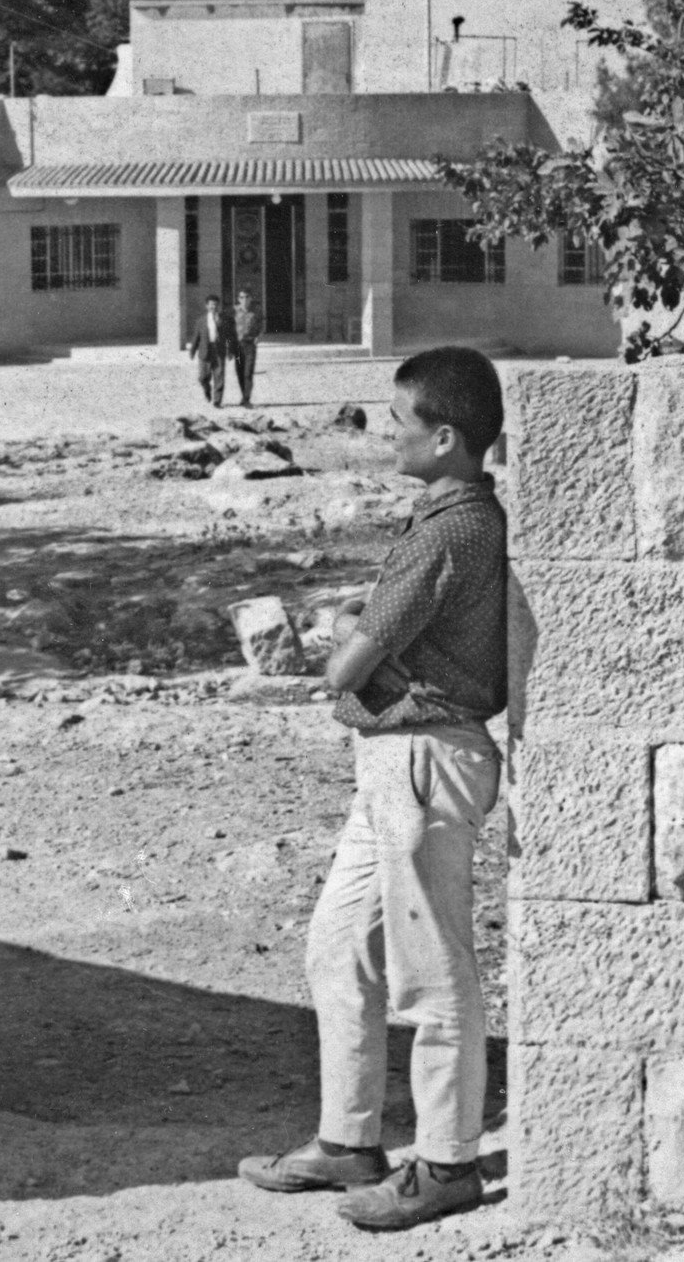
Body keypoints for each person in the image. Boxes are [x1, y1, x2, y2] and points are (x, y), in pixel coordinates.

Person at [239, 346, 507, 1232]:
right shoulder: (447, 518)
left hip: (426, 760)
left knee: (432, 974)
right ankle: (348, 1139)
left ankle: (447, 1163)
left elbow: (346, 667)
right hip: (397, 761)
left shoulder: (450, 530)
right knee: (338, 945)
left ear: (446, 438)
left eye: (401, 423)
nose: (388, 434)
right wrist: (363, 635)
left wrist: (352, 631)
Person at [186, 293, 238, 408]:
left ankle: (217, 401)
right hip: (205, 351)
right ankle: (207, 390)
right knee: (203, 377)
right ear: (206, 306)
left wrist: (230, 351)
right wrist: (192, 351)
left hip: (219, 350)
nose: (213, 307)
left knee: (219, 375)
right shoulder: (201, 320)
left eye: (215, 305)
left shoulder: (225, 320)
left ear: (218, 306)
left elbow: (230, 337)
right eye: (211, 305)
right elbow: (196, 337)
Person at [231, 287, 263, 408]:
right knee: (239, 372)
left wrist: (259, 336)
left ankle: (246, 399)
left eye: (247, 297)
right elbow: (229, 328)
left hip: (250, 345)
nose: (244, 300)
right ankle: (243, 396)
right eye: (242, 297)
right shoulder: (234, 311)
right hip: (238, 346)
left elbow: (262, 325)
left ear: (251, 298)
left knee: (248, 373)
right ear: (238, 299)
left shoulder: (257, 310)